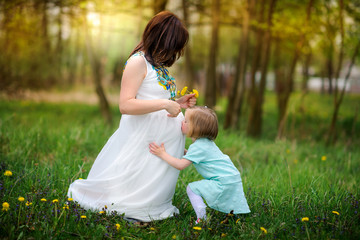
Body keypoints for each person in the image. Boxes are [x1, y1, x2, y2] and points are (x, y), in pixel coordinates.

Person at [67, 11, 196, 222]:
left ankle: (149, 206)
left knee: (147, 188)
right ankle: (132, 208)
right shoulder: (138, 62)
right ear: (161, 38)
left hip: (158, 141)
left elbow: (152, 98)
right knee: (128, 184)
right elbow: (125, 104)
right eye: (174, 45)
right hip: (142, 136)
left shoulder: (158, 65)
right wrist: (165, 103)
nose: (175, 51)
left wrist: (177, 103)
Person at [149, 106, 250, 224]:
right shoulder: (205, 143)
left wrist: (162, 154)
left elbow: (181, 165)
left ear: (195, 128)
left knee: (192, 188)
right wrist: (180, 150)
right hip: (230, 178)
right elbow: (192, 157)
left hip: (223, 181)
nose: (182, 122)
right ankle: (234, 217)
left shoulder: (199, 146)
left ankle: (202, 218)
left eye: (186, 121)